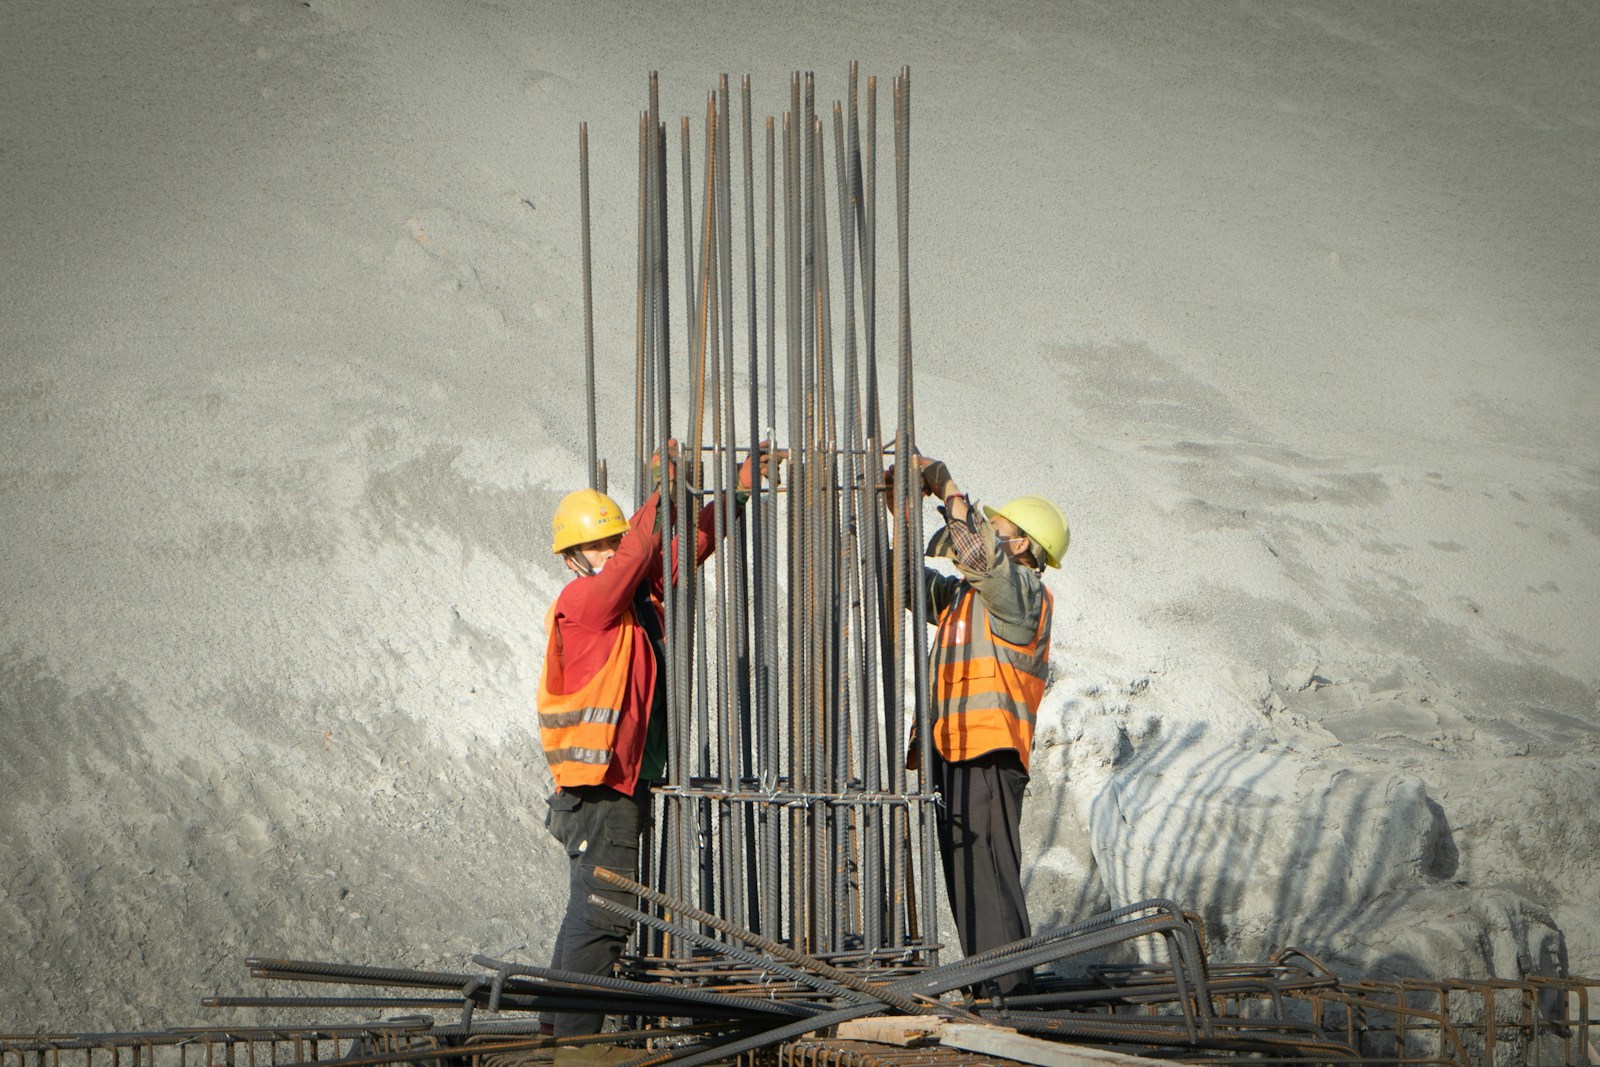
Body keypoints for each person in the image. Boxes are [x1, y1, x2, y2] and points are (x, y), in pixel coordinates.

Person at [534, 444, 776, 1041]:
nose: (613, 552)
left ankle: (553, 1028)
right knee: (605, 920)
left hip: (617, 786)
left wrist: (735, 492)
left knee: (587, 913)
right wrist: (666, 490)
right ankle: (577, 1049)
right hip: (600, 790)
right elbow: (642, 548)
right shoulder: (584, 604)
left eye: (614, 540)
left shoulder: (637, 602)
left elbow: (686, 546)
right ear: (572, 561)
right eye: (599, 546)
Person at [900, 455, 1069, 1000]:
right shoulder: (968, 599)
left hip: (989, 751)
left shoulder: (1021, 594)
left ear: (1021, 546)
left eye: (999, 529)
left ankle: (1009, 995)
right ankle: (986, 986)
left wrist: (944, 486)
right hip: (953, 749)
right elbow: (905, 580)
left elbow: (977, 556)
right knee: (966, 876)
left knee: (989, 877)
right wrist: (898, 515)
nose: (988, 532)